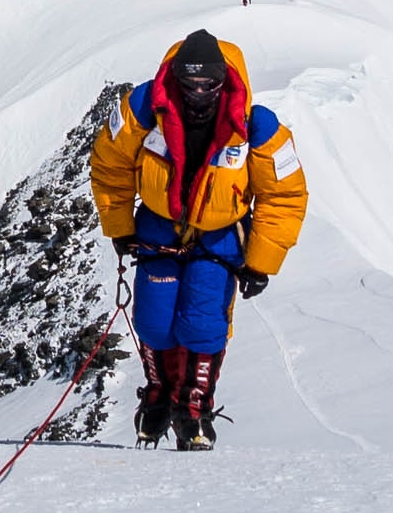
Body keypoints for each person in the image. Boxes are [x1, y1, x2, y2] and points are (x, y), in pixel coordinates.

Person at [88, 29, 308, 449]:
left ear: (224, 81)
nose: (199, 94)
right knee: (154, 321)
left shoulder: (255, 126)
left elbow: (284, 193)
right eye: (190, 86)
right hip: (157, 230)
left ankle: (193, 409)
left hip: (219, 239)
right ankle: (158, 396)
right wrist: (119, 225)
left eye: (209, 85)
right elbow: (109, 164)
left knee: (203, 326)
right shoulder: (143, 108)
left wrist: (261, 260)